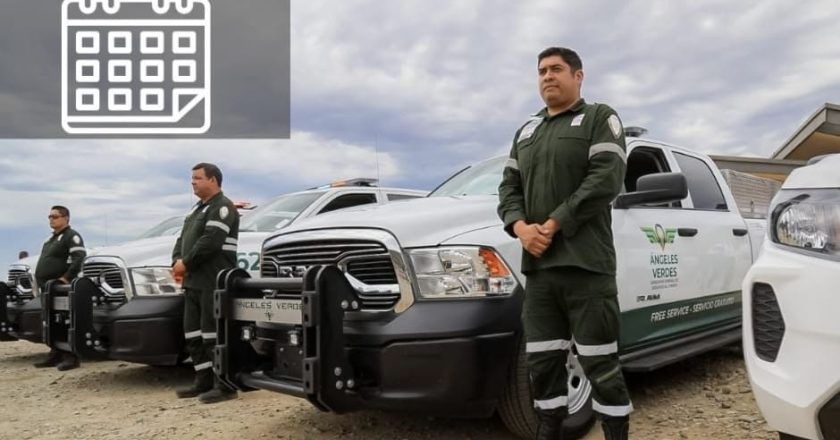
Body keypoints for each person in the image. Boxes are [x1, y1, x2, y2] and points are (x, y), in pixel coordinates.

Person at [497, 47, 632, 440]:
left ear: (578, 76)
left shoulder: (598, 118)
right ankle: (548, 432)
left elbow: (604, 179)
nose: (547, 77)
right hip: (539, 272)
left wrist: (554, 223)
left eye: (556, 69)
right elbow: (508, 189)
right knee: (542, 363)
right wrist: (520, 227)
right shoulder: (526, 132)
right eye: (541, 71)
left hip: (586, 267)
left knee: (599, 363)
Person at [172, 163, 239, 404]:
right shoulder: (197, 210)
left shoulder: (222, 207)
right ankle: (203, 380)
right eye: (192, 178)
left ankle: (224, 386)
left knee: (213, 336)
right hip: (193, 282)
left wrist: (185, 263)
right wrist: (176, 260)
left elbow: (210, 242)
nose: (193, 182)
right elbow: (182, 239)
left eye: (197, 178)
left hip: (212, 280)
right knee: (193, 334)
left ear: (213, 180)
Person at [33, 205, 86, 371]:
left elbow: (79, 258)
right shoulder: (50, 240)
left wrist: (65, 278)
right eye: (49, 216)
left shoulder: (72, 236)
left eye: (55, 216)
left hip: (61, 288)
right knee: (50, 321)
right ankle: (55, 353)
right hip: (47, 288)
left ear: (66, 218)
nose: (51, 219)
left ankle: (71, 357)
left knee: (64, 320)